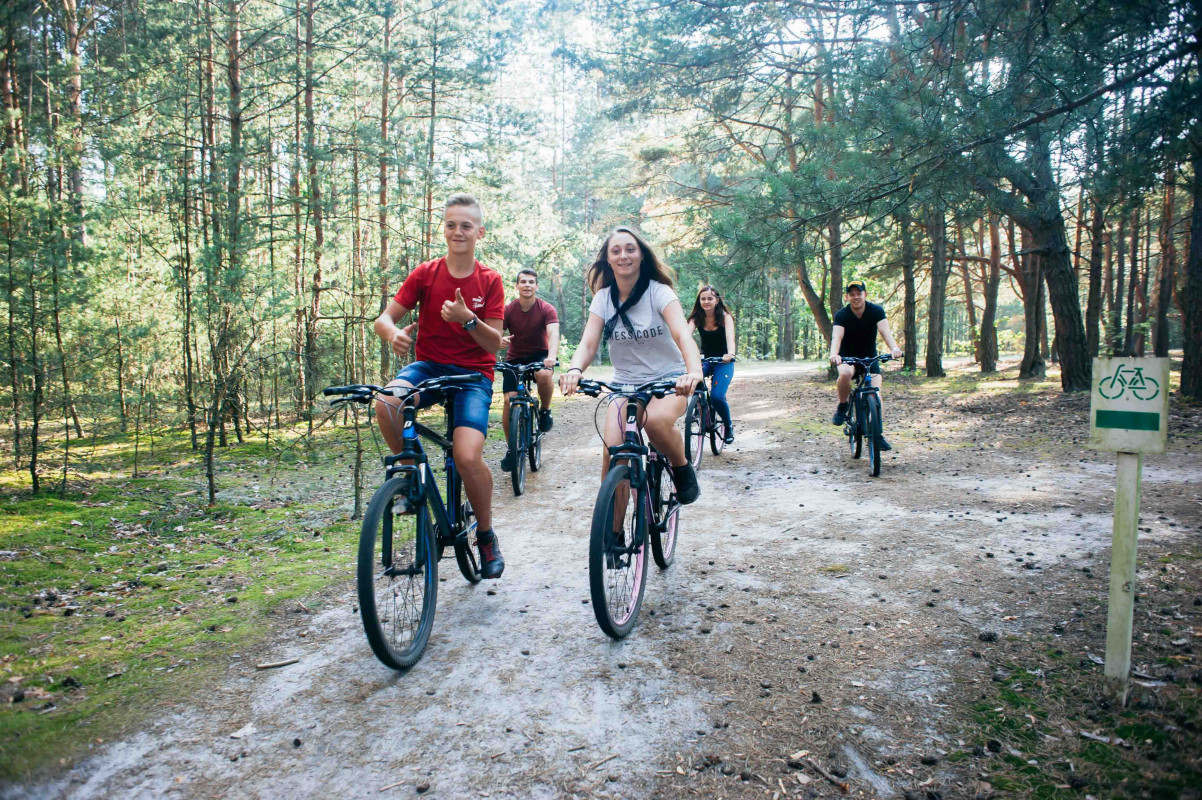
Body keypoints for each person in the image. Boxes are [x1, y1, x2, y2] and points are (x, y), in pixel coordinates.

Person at [372, 193, 507, 579]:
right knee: (386, 402)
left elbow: (494, 343)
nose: (458, 231)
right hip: (429, 366)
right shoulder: (426, 273)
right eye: (451, 224)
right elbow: (384, 319)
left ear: (480, 232)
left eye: (466, 225)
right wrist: (392, 333)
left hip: (473, 376)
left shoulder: (490, 280)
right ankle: (413, 473)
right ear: (443, 229)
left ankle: (485, 535)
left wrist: (467, 320)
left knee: (466, 457)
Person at [559, 227, 703, 504]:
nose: (623, 255)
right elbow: (588, 343)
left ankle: (681, 466)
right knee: (614, 452)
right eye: (616, 251)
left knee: (657, 422)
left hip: (669, 379)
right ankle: (613, 540)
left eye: (630, 249)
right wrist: (575, 370)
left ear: (641, 256)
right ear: (608, 260)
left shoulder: (659, 292)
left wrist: (693, 372)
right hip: (624, 384)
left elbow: (682, 335)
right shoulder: (603, 298)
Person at [829, 280, 903, 450]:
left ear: (865, 294)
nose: (856, 297)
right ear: (847, 297)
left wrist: (895, 349)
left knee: (876, 393)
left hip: (870, 356)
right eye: (852, 294)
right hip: (847, 355)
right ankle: (843, 405)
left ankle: (878, 434)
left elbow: (886, 333)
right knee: (845, 374)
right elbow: (837, 337)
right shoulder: (842, 315)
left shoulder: (876, 311)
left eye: (859, 293)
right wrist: (834, 354)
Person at [500, 269, 560, 471]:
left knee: (543, 375)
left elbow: (553, 334)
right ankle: (511, 449)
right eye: (523, 282)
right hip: (514, 357)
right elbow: (496, 332)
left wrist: (551, 357)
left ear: (536, 286)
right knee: (509, 401)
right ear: (516, 286)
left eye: (531, 282)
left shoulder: (546, 309)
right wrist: (498, 339)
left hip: (540, 354)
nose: (527, 285)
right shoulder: (508, 310)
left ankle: (544, 411)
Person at [686, 285, 736, 444]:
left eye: (710, 298)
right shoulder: (696, 318)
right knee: (693, 381)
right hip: (705, 359)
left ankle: (728, 425)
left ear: (717, 300)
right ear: (699, 301)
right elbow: (685, 337)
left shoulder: (725, 317)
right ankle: (699, 408)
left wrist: (730, 354)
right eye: (703, 299)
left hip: (724, 361)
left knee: (716, 396)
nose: (706, 301)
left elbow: (730, 338)